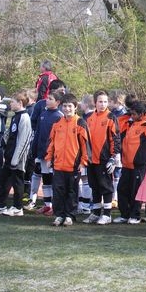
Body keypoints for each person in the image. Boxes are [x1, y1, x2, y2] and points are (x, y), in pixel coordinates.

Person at [45, 93, 90, 227]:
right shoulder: (57, 123)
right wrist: (49, 157)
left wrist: (83, 162)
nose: (67, 109)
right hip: (58, 164)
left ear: (75, 107)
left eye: (70, 106)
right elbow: (51, 143)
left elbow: (85, 145)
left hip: (73, 165)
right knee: (58, 191)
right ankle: (59, 215)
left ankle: (70, 215)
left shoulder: (80, 123)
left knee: (72, 191)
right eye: (64, 106)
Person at [0, 91, 33, 216]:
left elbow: (24, 140)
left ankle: (18, 208)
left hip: (18, 158)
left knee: (17, 182)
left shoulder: (24, 118)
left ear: (20, 103)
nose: (10, 104)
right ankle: (1, 205)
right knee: (4, 181)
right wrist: (3, 142)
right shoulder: (15, 116)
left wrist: (16, 159)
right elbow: (10, 134)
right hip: (9, 155)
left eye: (12, 102)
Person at [82, 90, 120, 225]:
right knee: (95, 186)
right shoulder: (89, 118)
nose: (103, 104)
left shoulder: (111, 117)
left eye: (105, 101)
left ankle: (107, 214)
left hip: (104, 159)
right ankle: (96, 212)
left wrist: (113, 157)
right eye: (100, 101)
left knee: (106, 186)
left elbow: (116, 138)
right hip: (91, 159)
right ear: (95, 102)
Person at [26, 91, 64, 213]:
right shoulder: (43, 114)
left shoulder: (59, 116)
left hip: (52, 155)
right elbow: (38, 133)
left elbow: (59, 138)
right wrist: (34, 149)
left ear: (57, 102)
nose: (47, 100)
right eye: (47, 98)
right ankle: (47, 205)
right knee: (46, 179)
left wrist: (53, 154)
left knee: (53, 180)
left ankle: (55, 205)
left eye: (50, 99)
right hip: (42, 153)